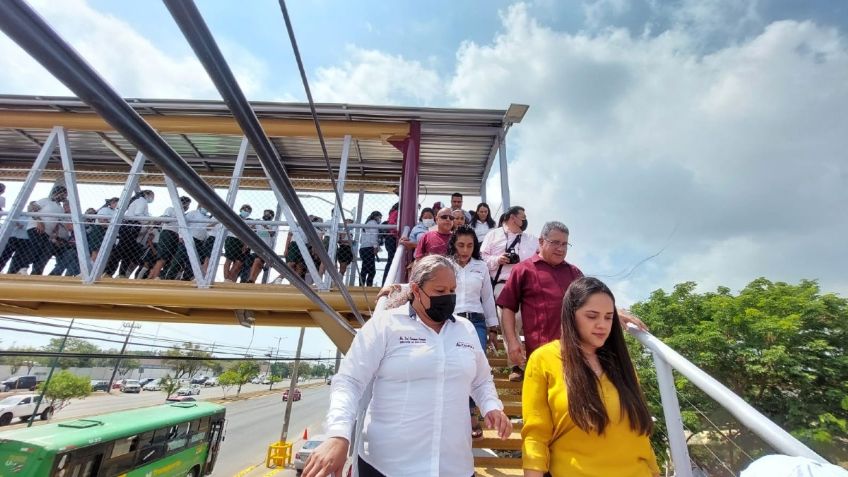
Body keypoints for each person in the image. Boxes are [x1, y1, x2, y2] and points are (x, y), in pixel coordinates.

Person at [302, 255, 511, 477]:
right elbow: (349, 382)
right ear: (416, 289)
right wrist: (338, 434)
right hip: (388, 467)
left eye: (452, 290)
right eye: (440, 291)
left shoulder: (466, 329)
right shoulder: (385, 325)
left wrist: (491, 405)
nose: (448, 297)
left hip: (454, 467)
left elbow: (480, 380)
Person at [522, 277, 660, 477]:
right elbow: (535, 434)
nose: (602, 325)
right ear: (571, 315)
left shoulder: (621, 363)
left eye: (608, 317)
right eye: (592, 316)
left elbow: (639, 433)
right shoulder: (544, 359)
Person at [497, 221, 583, 381]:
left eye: (565, 244)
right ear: (541, 241)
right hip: (539, 355)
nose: (561, 248)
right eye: (555, 243)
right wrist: (512, 341)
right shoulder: (523, 270)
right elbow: (507, 307)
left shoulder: (574, 273)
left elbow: (592, 301)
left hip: (573, 355)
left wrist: (617, 312)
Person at [448, 225, 499, 439]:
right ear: (453, 244)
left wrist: (493, 327)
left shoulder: (481, 266)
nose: (465, 249)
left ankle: (471, 413)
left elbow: (487, 297)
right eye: (461, 244)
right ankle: (452, 413)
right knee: (452, 366)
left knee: (474, 366)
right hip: (450, 320)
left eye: (470, 245)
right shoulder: (445, 265)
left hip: (476, 321)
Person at [480, 205, 538, 380]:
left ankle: (531, 362)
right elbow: (482, 257)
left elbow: (539, 256)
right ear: (513, 218)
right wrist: (498, 260)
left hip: (527, 285)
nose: (525, 220)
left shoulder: (531, 239)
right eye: (523, 217)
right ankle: (517, 365)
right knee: (510, 319)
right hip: (502, 283)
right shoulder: (493, 234)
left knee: (522, 319)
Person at [12, 185, 68, 275]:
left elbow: (57, 222)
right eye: (64, 194)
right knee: (36, 247)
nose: (65, 197)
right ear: (58, 193)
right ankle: (23, 267)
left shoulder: (60, 208)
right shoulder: (45, 200)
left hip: (48, 233)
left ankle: (36, 272)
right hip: (36, 227)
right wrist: (38, 221)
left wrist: (54, 234)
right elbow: (30, 209)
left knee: (45, 252)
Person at [105, 189, 153, 278]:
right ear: (147, 194)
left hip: (129, 226)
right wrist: (147, 221)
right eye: (152, 195)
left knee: (125, 250)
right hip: (132, 226)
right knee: (124, 249)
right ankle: (115, 272)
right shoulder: (142, 202)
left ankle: (113, 272)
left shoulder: (137, 201)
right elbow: (138, 214)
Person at [147, 196, 190, 280]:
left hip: (176, 235)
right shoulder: (171, 209)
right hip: (168, 233)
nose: (187, 207)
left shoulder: (184, 214)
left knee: (171, 258)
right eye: (186, 204)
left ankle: (159, 276)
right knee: (163, 257)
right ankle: (154, 277)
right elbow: (165, 219)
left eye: (188, 205)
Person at [223, 204, 252, 282]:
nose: (247, 212)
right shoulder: (234, 216)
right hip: (232, 239)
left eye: (249, 211)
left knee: (239, 263)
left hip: (242, 242)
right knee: (229, 259)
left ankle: (230, 279)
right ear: (241, 209)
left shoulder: (249, 221)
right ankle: (226, 279)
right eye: (245, 210)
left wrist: (245, 244)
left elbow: (248, 234)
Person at [247, 209, 276, 283]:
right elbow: (250, 230)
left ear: (272, 216)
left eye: (269, 214)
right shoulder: (258, 221)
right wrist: (253, 225)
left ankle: (252, 279)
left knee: (259, 262)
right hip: (256, 246)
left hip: (266, 247)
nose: (266, 215)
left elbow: (272, 233)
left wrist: (265, 226)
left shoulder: (273, 224)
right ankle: (251, 279)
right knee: (257, 262)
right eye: (265, 213)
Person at [358, 211, 382, 286]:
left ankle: (362, 285)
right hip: (369, 248)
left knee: (365, 268)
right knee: (371, 270)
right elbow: (374, 236)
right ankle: (368, 285)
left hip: (363, 248)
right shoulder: (373, 223)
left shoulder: (367, 224)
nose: (380, 219)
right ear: (376, 217)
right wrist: (375, 247)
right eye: (380, 217)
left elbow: (361, 240)